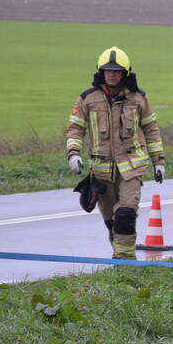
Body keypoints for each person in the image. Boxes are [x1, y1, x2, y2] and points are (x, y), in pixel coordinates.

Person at [65, 47, 165, 259]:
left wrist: (159, 161)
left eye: (117, 71)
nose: (112, 74)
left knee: (126, 214)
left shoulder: (138, 98)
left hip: (132, 168)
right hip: (102, 172)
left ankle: (126, 263)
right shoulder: (87, 99)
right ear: (100, 72)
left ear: (125, 73)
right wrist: (74, 153)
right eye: (108, 70)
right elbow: (75, 128)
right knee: (112, 222)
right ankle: (120, 257)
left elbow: (151, 130)